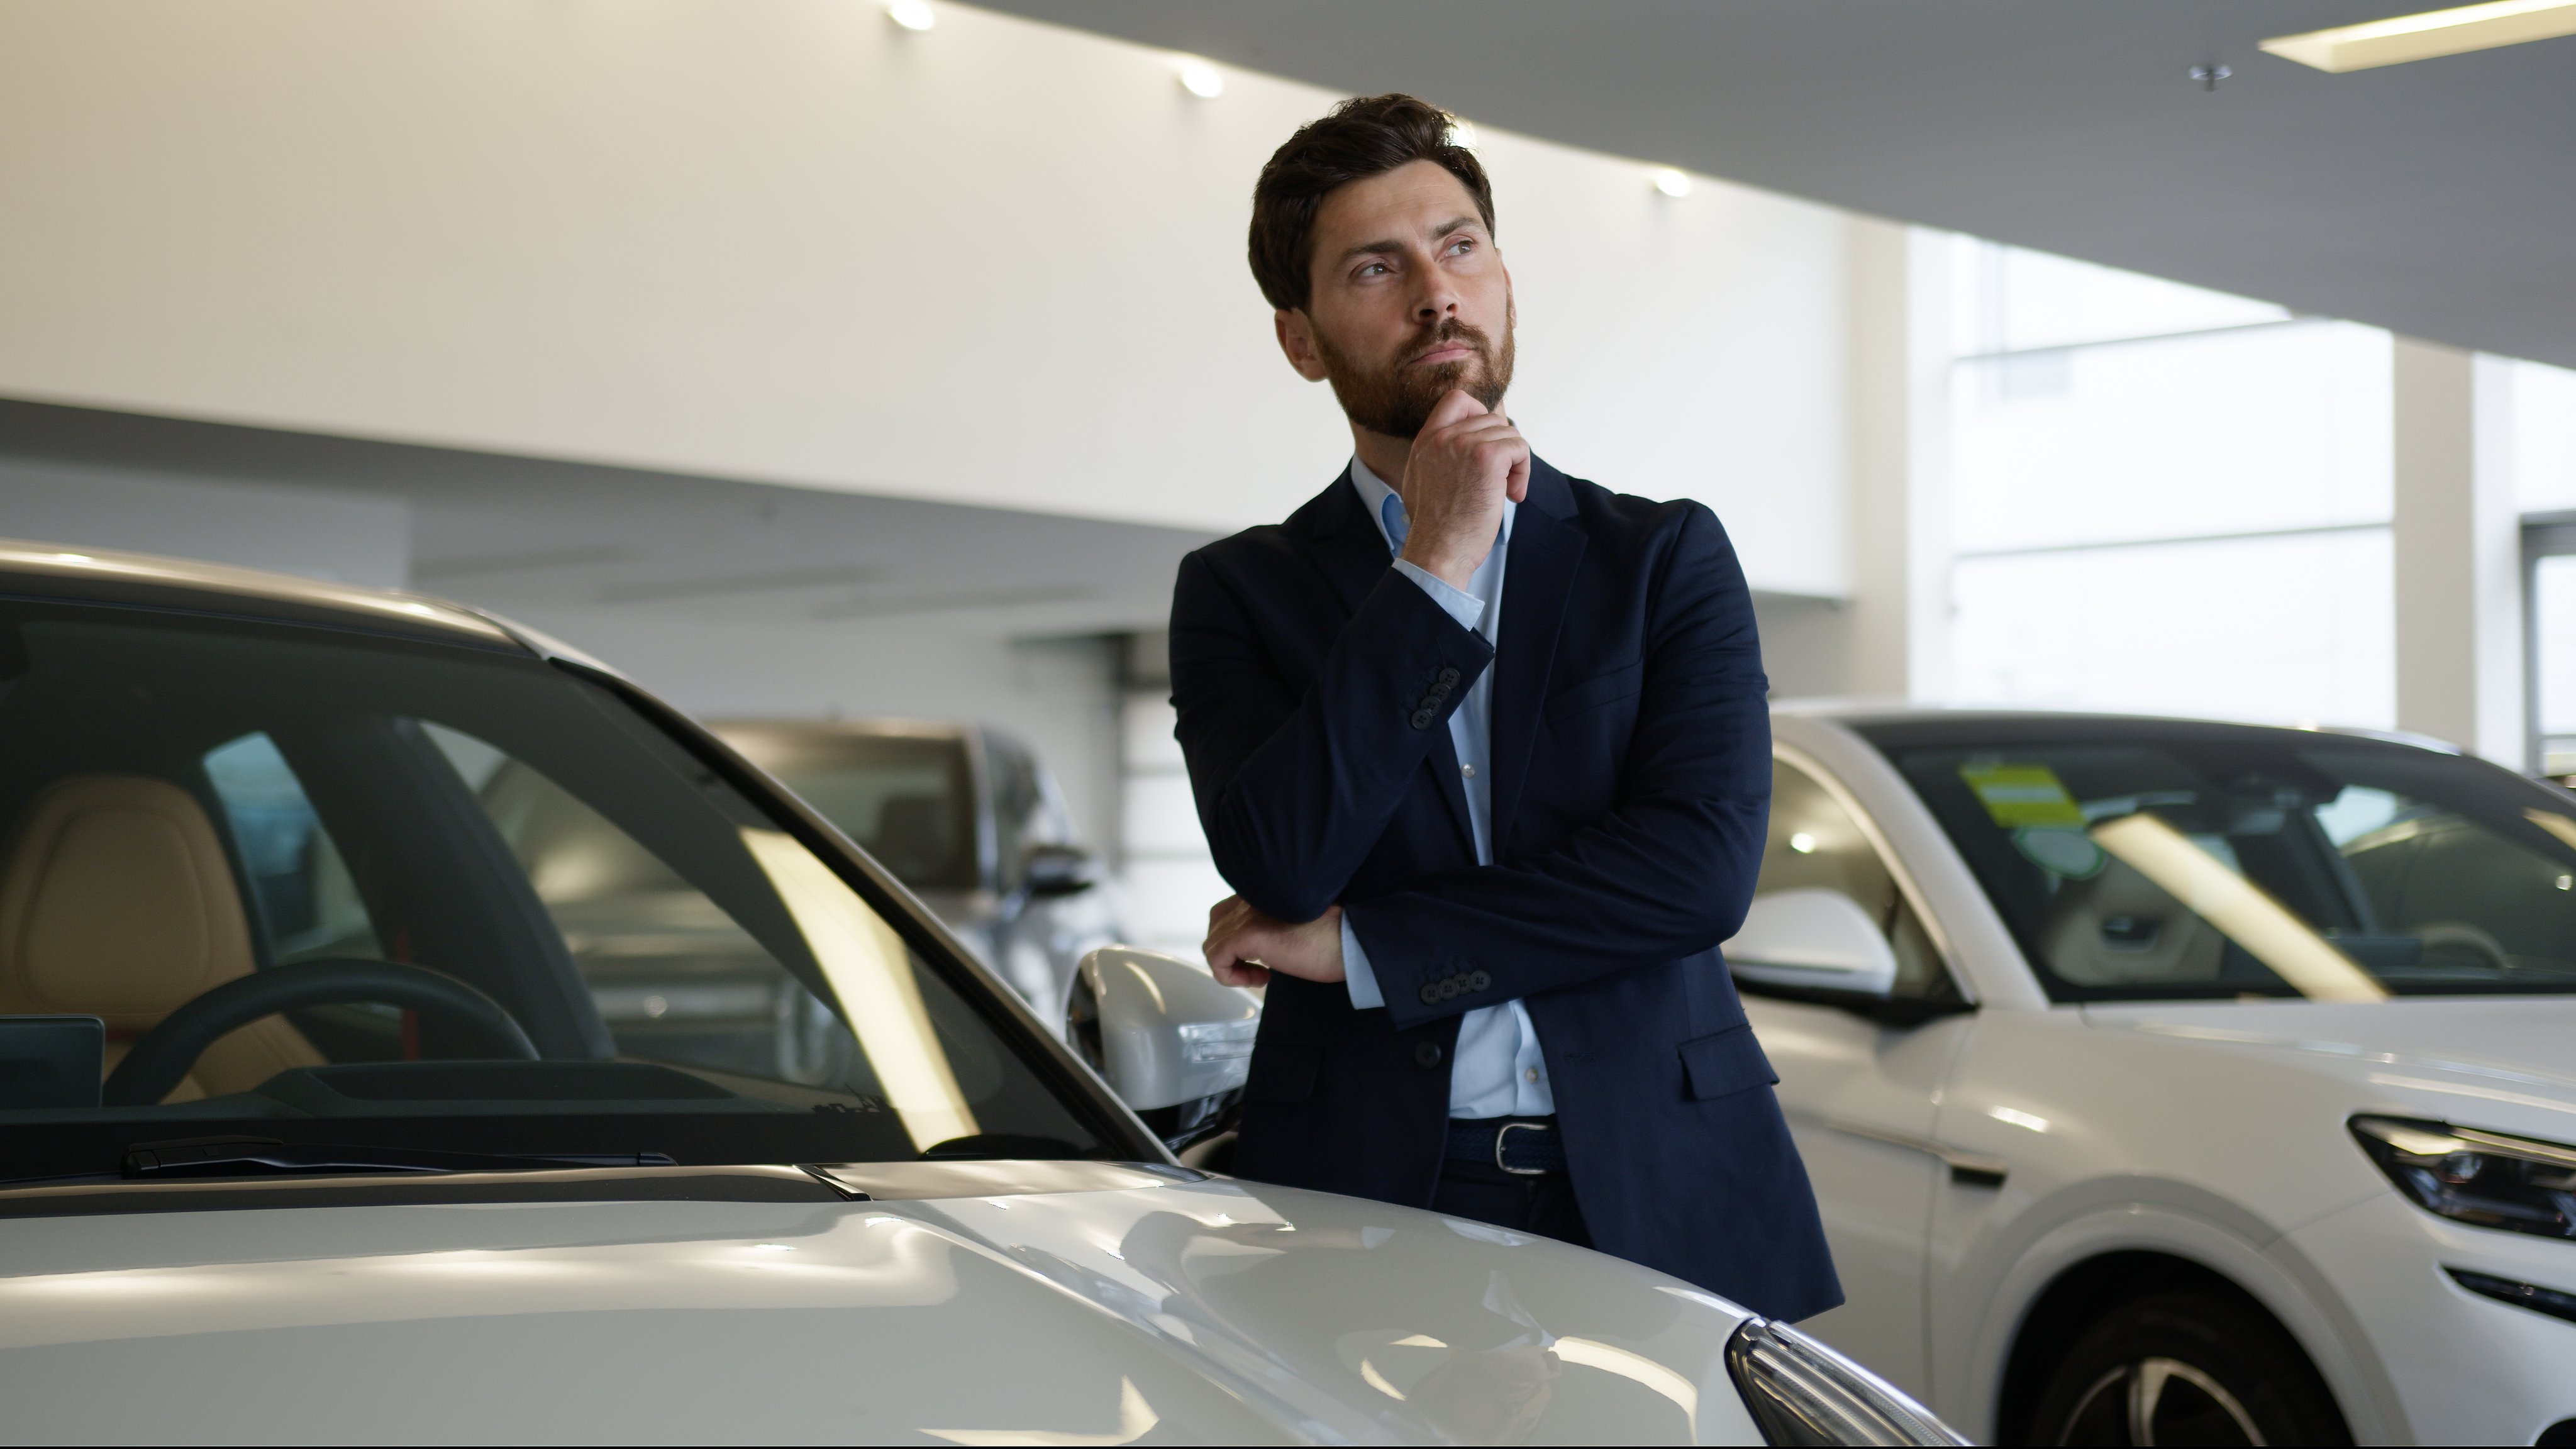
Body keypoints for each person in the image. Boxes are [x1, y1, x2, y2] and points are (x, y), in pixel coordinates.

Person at [1167, 93, 1838, 1320]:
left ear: (1503, 281)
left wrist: (1367, 948)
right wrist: (1436, 559)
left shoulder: (1662, 558)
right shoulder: (1237, 591)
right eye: (1376, 267)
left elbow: (1694, 875)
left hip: (1667, 1187)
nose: (1435, 292)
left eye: (1458, 245)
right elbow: (1282, 855)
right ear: (1301, 340)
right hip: (1363, 1199)